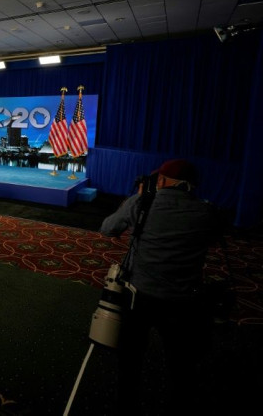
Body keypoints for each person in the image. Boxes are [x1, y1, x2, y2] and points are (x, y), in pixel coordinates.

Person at [99, 158, 222, 415]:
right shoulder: (208, 211)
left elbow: (108, 229)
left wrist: (136, 200)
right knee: (181, 363)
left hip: (139, 297)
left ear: (163, 181)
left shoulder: (143, 203)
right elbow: (215, 240)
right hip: (184, 301)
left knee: (131, 359)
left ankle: (126, 406)